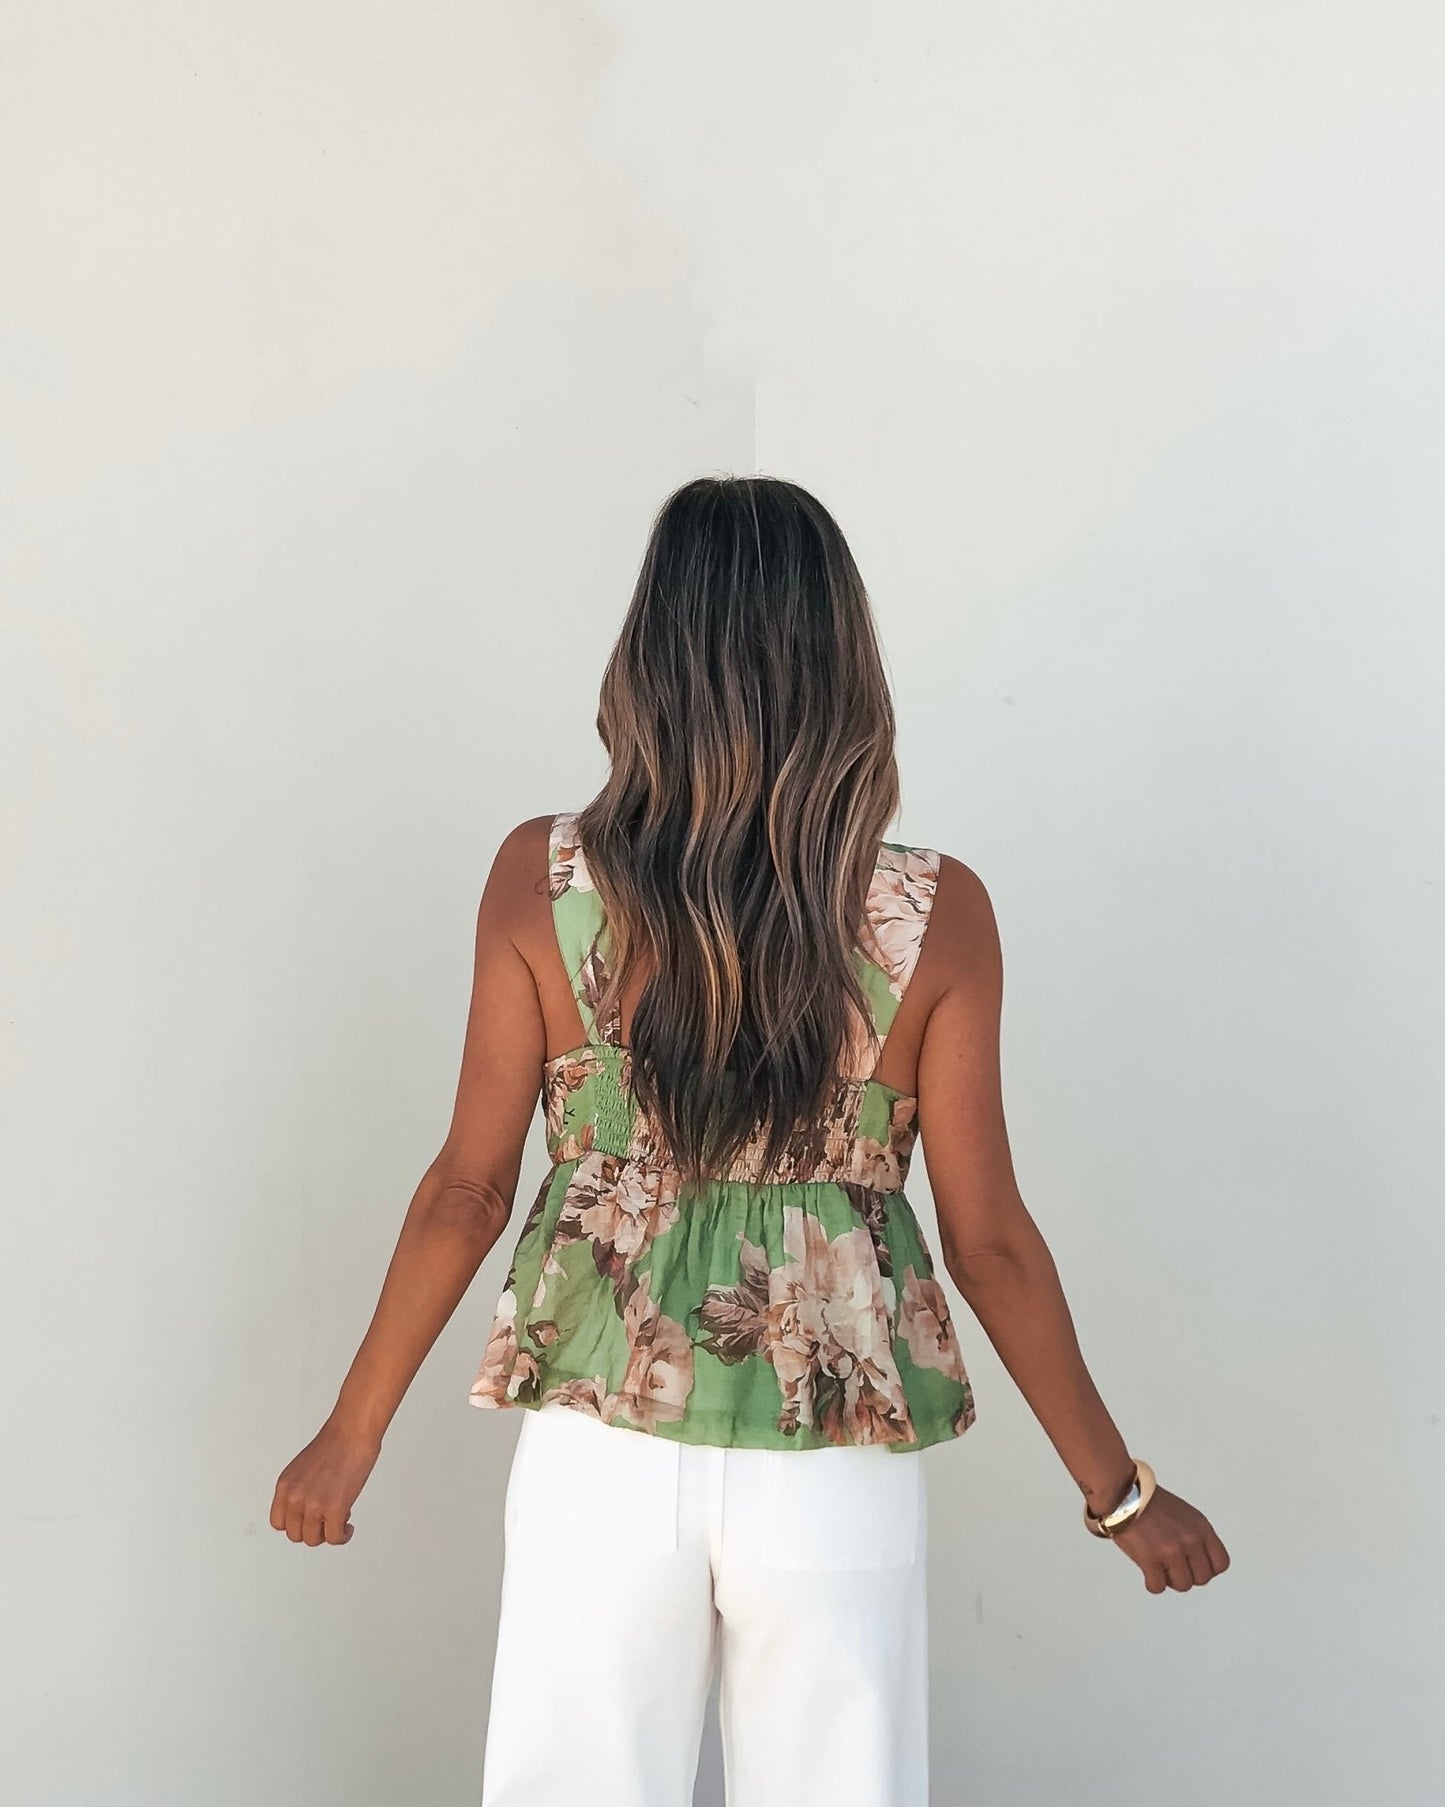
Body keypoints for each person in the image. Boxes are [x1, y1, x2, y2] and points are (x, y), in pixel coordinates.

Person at [271, 474, 1230, 1806]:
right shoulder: (932, 913)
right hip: (831, 1455)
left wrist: (350, 1432)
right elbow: (990, 1245)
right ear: (843, 663)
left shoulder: (541, 881)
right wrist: (1119, 1495)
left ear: (646, 656)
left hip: (600, 1444)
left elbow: (465, 1191)